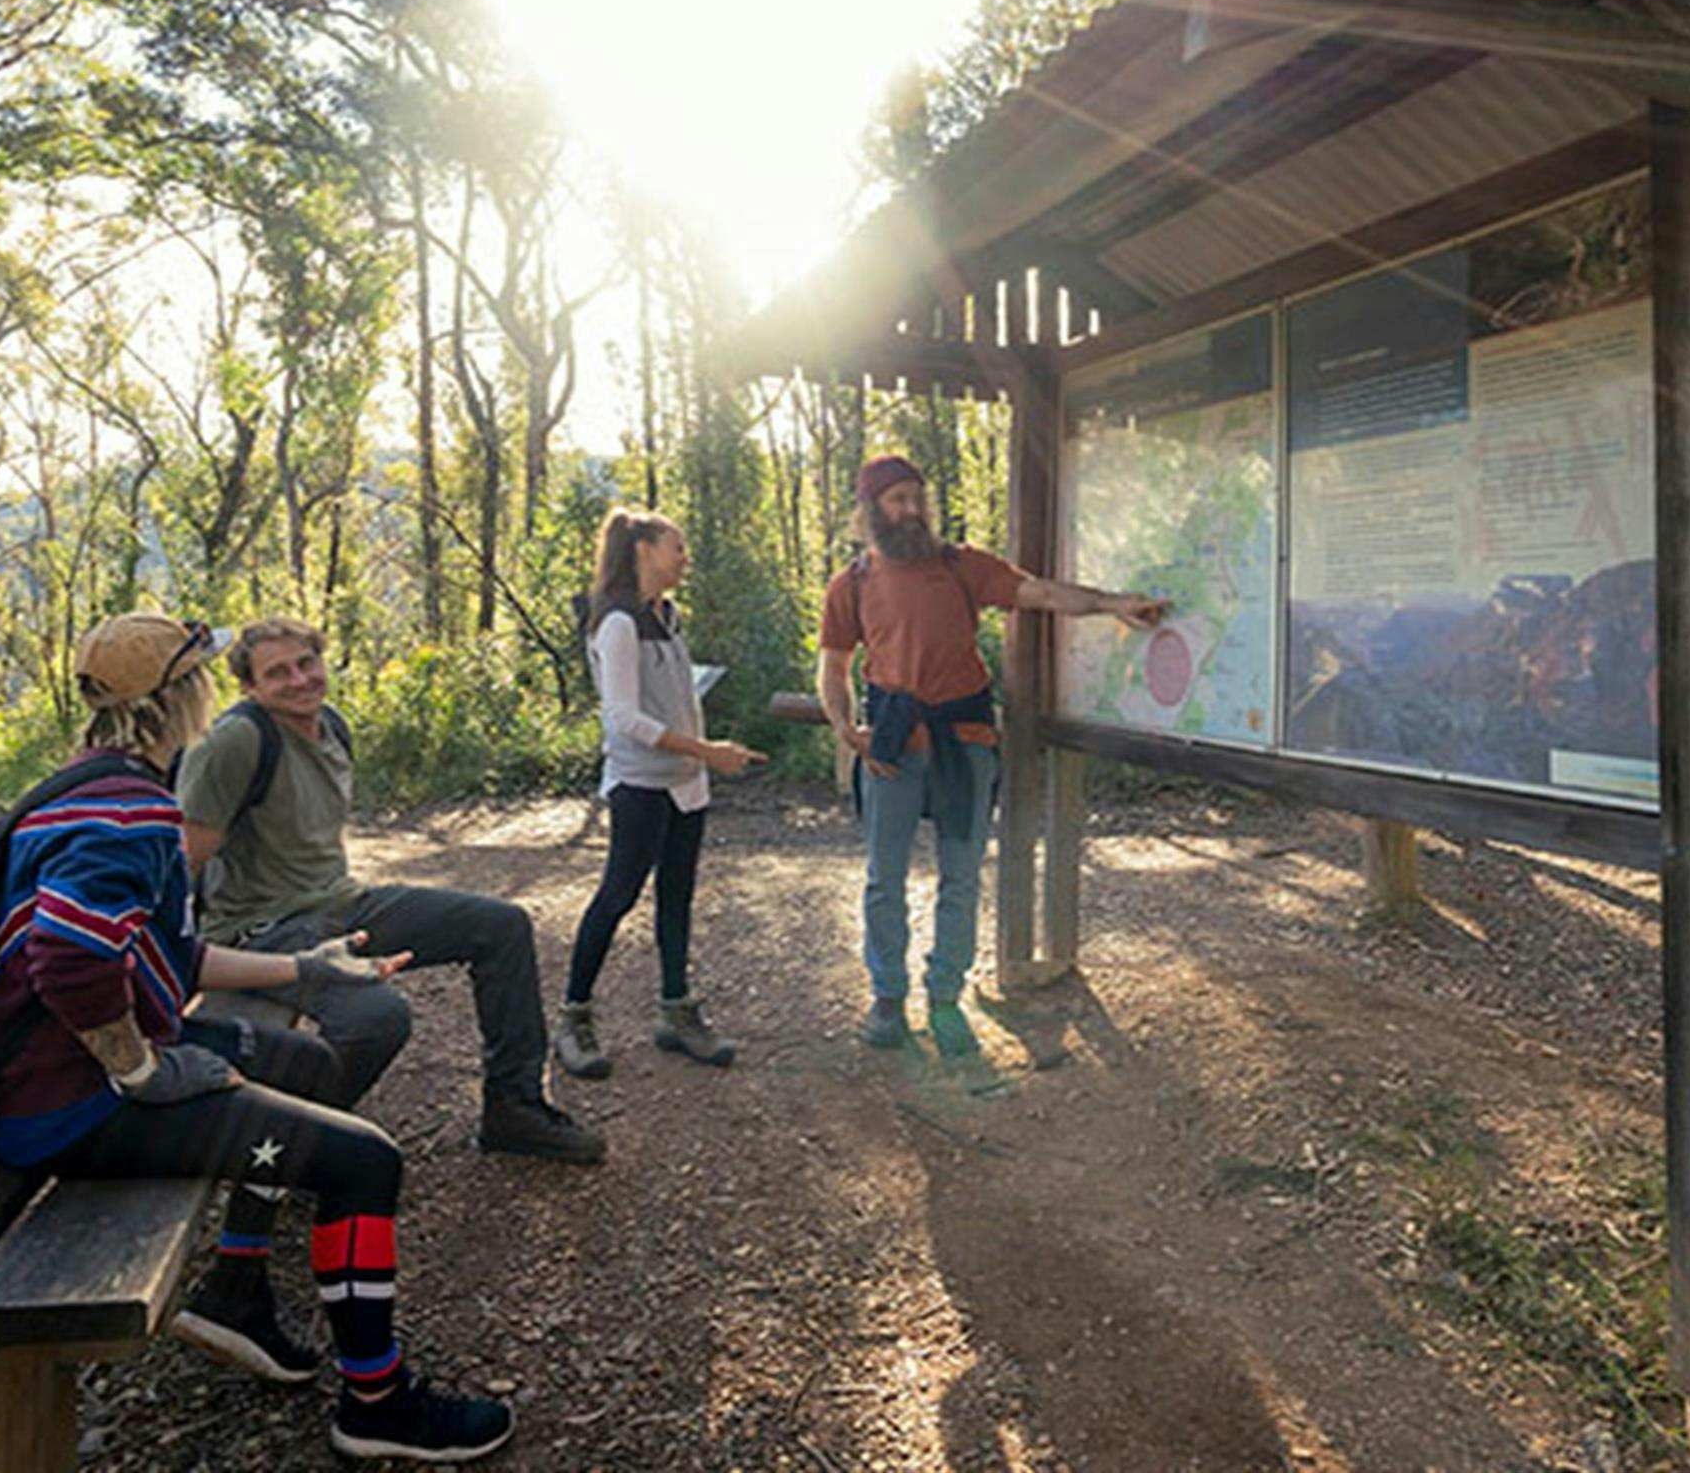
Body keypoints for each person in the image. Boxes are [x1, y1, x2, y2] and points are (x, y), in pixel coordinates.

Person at [0, 612, 512, 1463]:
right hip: (68, 1105)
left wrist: (309, 970)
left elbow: (169, 952)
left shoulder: (104, 779)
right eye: (208, 674)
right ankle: (375, 1401)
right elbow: (70, 961)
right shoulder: (128, 810)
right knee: (367, 1161)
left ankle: (238, 1288)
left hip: (72, 1079)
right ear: (182, 695)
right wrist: (144, 1069)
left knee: (302, 1059)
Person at [175, 616, 604, 1163]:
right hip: (264, 930)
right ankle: (293, 1140)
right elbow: (182, 859)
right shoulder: (236, 740)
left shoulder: (331, 724)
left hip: (341, 903)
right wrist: (177, 962)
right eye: (277, 672)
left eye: (307, 662)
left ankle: (513, 1108)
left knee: (501, 926)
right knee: (377, 1017)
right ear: (250, 687)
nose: (300, 679)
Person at [815, 454, 1169, 1053]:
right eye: (898, 499)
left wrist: (1112, 603)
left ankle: (946, 999)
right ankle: (888, 999)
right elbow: (833, 665)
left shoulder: (962, 567)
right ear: (872, 508)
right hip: (892, 745)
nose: (912, 509)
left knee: (961, 875)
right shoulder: (852, 582)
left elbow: (1037, 592)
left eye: (917, 496)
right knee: (884, 879)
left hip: (967, 741)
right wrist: (847, 727)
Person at [550, 509, 766, 1080]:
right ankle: (573, 1018)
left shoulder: (665, 616)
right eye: (677, 546)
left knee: (677, 897)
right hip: (640, 786)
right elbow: (623, 718)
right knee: (617, 895)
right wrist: (706, 751)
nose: (684, 556)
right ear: (643, 548)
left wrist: (700, 759)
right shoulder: (617, 621)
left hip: (684, 789)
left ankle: (675, 1012)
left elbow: (670, 696)